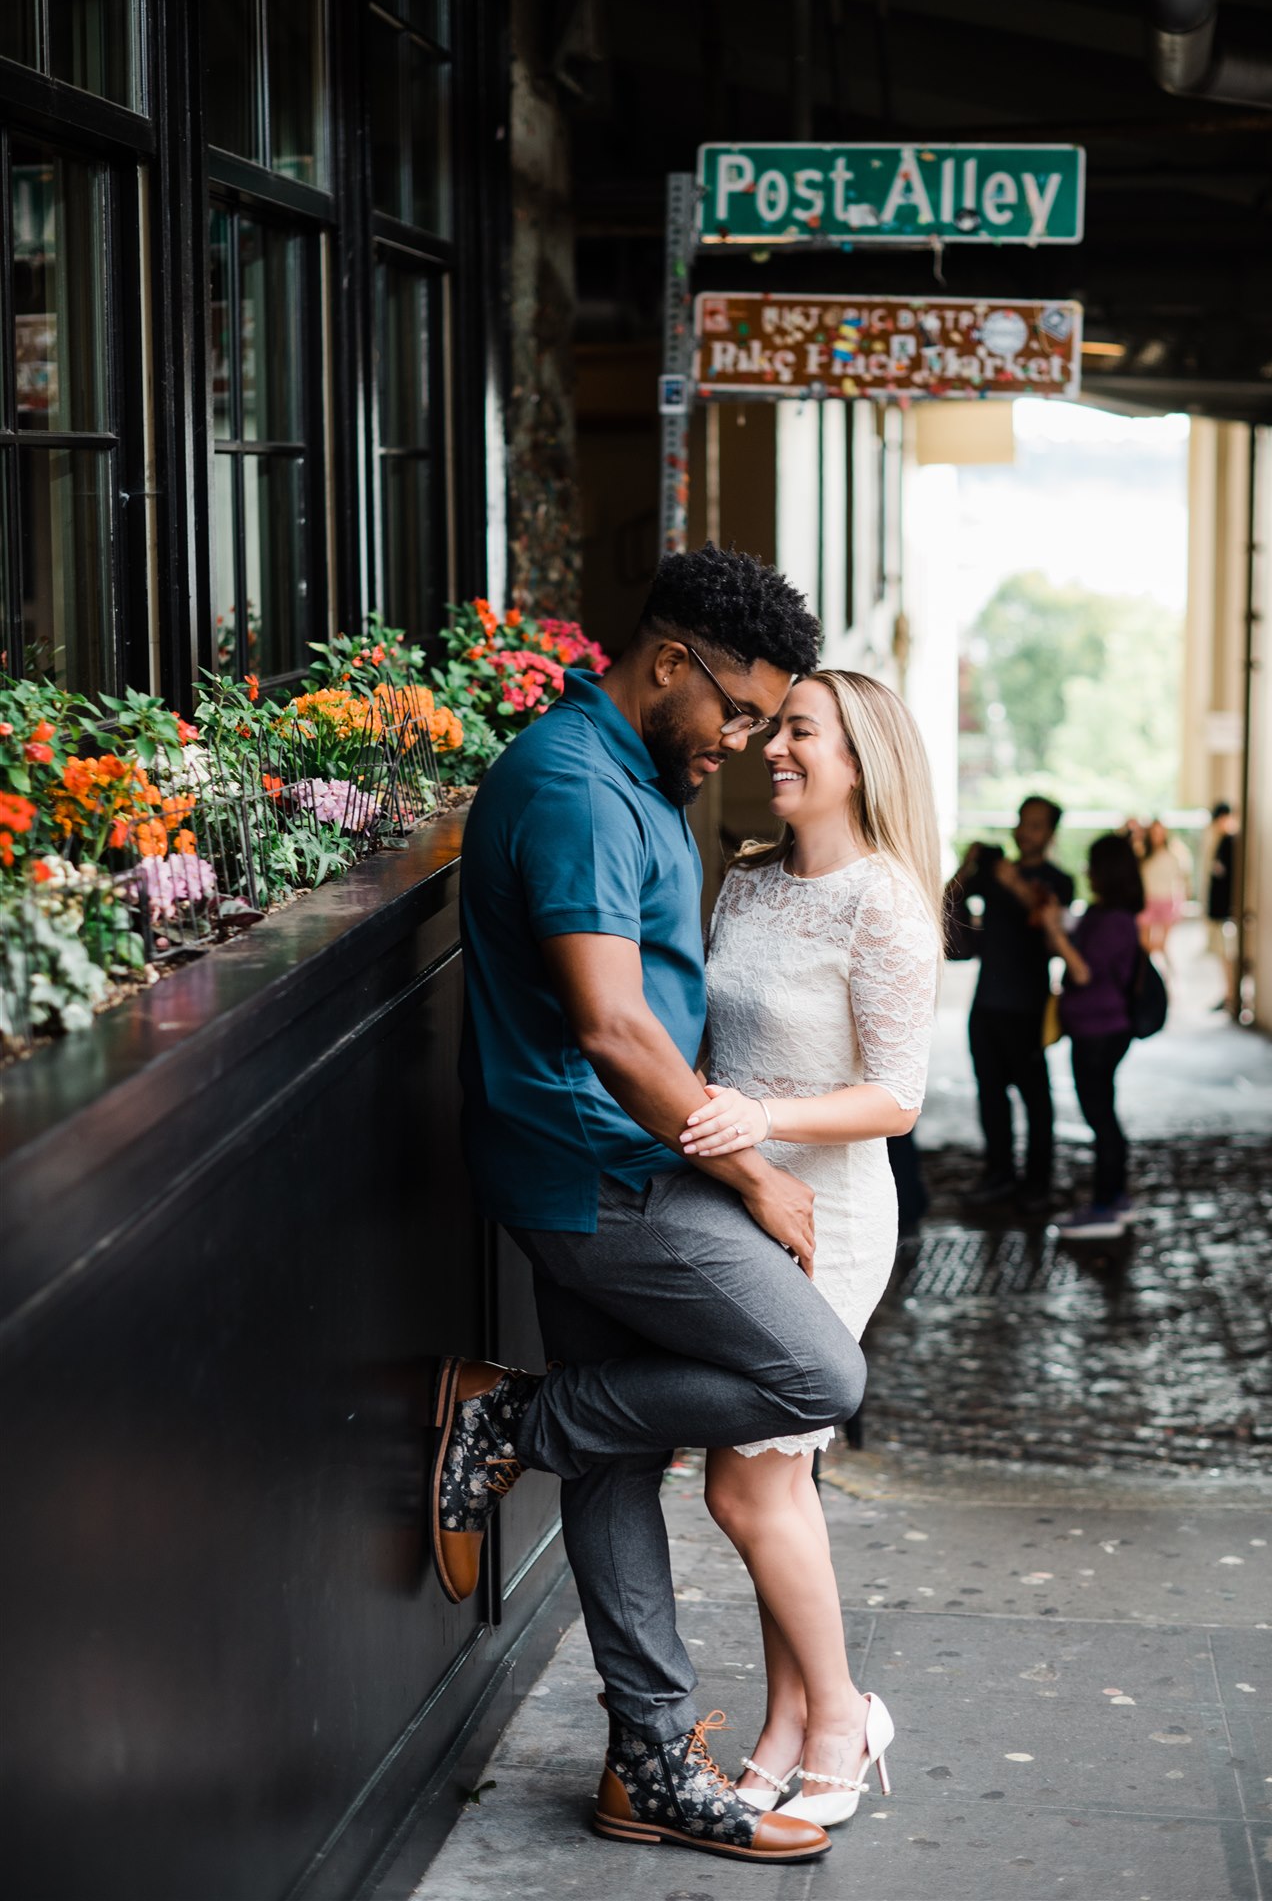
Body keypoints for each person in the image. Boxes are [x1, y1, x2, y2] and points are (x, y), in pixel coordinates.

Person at [432, 546, 862, 1868]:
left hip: (619, 1159)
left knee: (615, 1456)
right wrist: (750, 1168)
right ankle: (512, 1413)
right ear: (668, 662)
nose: (740, 739)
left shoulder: (640, 773)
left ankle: (645, 1762)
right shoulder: (570, 786)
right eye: (732, 708)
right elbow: (613, 1029)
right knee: (813, 1369)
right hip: (595, 1169)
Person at [679, 671, 940, 1829]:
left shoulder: (883, 901)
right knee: (772, 1482)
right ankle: (791, 1721)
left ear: (858, 758)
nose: (770, 746)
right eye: (772, 727)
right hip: (736, 1202)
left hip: (827, 1218)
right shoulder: (743, 880)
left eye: (797, 731)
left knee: (745, 1481)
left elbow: (896, 1096)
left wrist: (763, 1117)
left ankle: (839, 1708)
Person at [947, 797, 1074, 1215]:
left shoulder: (1059, 880)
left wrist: (1013, 882)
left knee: (1036, 1098)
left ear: (1050, 834)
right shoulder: (992, 872)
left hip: (1028, 1005)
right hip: (986, 1003)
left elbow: (1050, 928)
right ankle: (998, 1174)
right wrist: (968, 867)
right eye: (1022, 822)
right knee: (990, 1095)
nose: (1025, 831)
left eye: (1036, 825)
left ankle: (1038, 1182)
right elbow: (947, 902)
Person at [1039, 833, 1144, 1239]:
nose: (1087, 872)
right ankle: (1114, 1199)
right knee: (1104, 1116)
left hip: (1101, 1031)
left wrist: (1058, 934)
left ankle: (1106, 1206)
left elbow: (1083, 972)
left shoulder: (1114, 920)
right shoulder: (1107, 914)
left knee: (1101, 1118)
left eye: (1093, 865)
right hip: (1098, 1029)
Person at [1136, 817, 1191, 962]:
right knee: (1144, 943)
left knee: (1163, 945)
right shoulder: (1143, 855)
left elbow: (1181, 880)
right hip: (1147, 900)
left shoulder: (1173, 855)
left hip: (1166, 901)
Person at [1202, 800, 1239, 1012]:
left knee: (1228, 955)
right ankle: (1228, 993)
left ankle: (1231, 995)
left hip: (1227, 912)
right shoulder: (1220, 842)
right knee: (1222, 955)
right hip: (1221, 910)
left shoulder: (1230, 843)